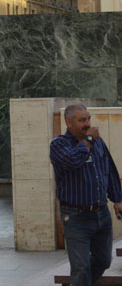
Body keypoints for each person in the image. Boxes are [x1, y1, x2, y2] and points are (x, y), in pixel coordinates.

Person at [50, 104, 122, 286]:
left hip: (101, 214)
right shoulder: (59, 144)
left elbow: (109, 171)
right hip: (76, 217)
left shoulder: (98, 142)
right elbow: (73, 161)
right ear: (68, 122)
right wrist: (88, 140)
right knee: (80, 267)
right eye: (82, 120)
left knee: (104, 260)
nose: (87, 124)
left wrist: (118, 199)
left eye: (88, 119)